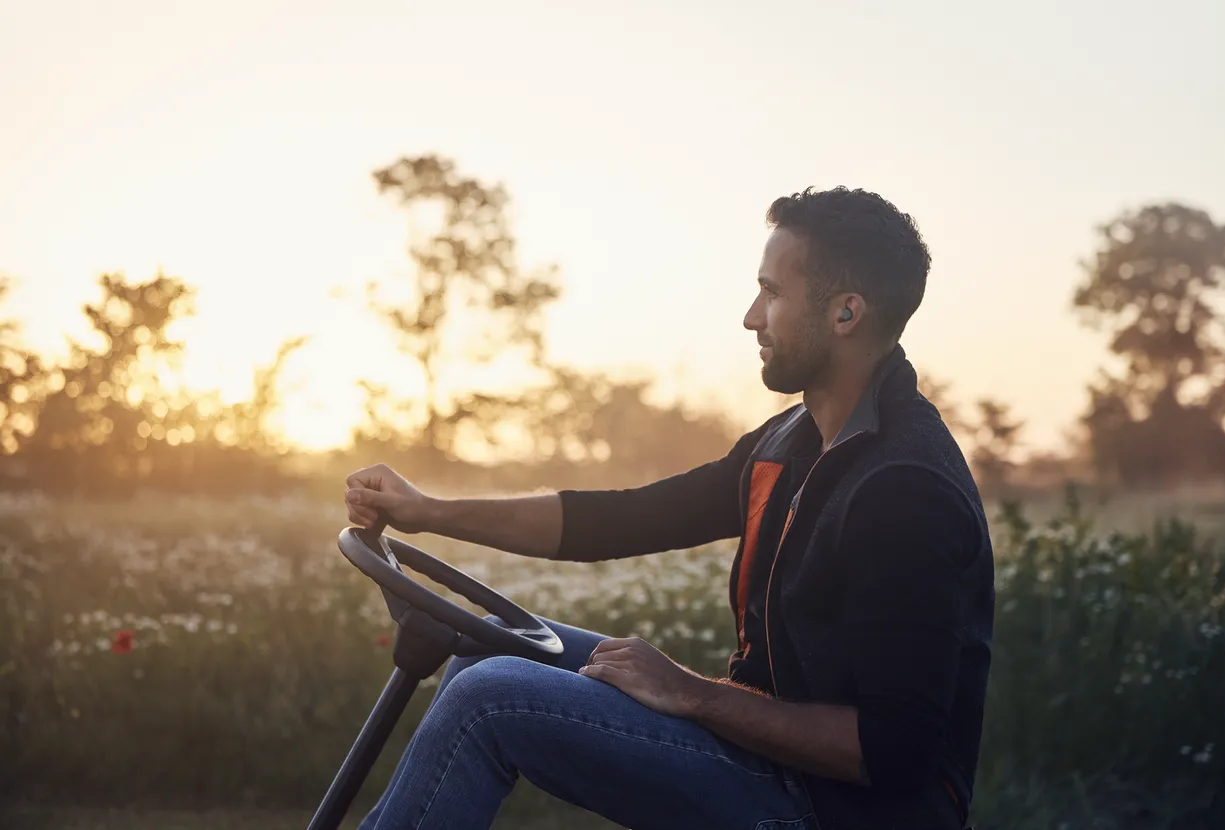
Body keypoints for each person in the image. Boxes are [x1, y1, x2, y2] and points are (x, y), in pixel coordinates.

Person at [343, 186, 994, 830]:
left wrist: (691, 694)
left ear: (844, 314)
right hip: (765, 759)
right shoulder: (790, 441)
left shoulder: (906, 493)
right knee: (481, 655)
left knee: (488, 701)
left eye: (771, 293)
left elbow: (892, 754)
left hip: (835, 810)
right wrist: (427, 510)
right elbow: (624, 518)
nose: (749, 316)